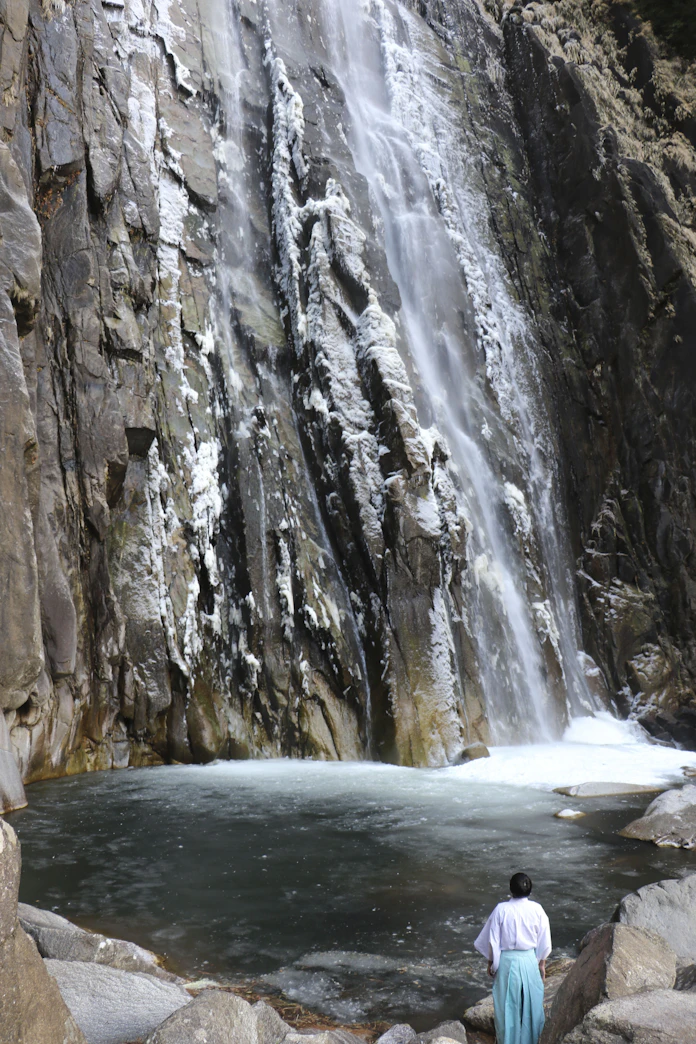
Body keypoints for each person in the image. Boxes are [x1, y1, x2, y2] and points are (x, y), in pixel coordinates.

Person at [474, 872, 551, 1044]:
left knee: (507, 1008)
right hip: (530, 960)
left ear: (511, 889)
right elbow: (544, 940)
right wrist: (542, 963)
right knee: (531, 1007)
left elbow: (493, 940)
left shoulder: (501, 909)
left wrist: (492, 963)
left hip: (507, 963)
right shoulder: (537, 909)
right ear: (530, 890)